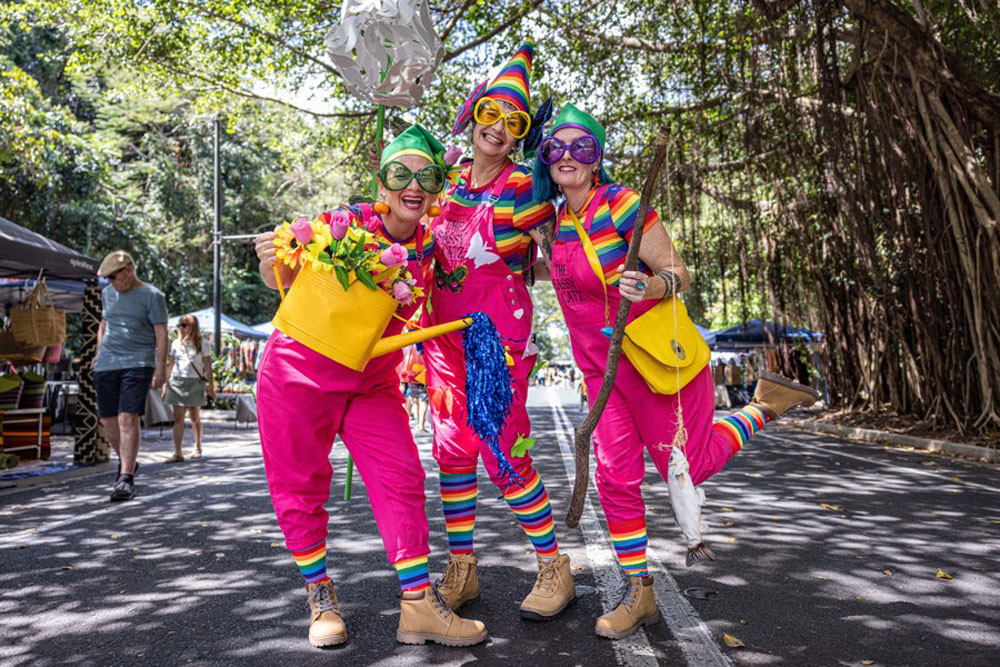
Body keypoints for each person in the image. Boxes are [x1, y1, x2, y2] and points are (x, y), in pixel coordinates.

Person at [533, 104, 821, 639]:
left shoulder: (623, 206)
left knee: (688, 464)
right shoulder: (549, 223)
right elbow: (541, 271)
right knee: (615, 476)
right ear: (546, 159)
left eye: (583, 147)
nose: (568, 157)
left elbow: (676, 272)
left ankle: (761, 405)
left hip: (651, 360)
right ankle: (637, 591)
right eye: (557, 148)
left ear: (598, 159)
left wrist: (650, 285)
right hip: (600, 374)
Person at [253, 125, 487, 648]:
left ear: (436, 189)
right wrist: (272, 259)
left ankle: (418, 606)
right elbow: (283, 279)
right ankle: (320, 597)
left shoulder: (430, 247)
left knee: (403, 475)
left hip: (371, 378)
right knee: (300, 487)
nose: (413, 184)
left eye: (426, 175)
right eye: (400, 172)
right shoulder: (346, 223)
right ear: (381, 183)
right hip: (298, 371)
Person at [422, 40, 576, 621]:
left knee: (503, 451)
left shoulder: (521, 186)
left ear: (520, 135)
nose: (499, 127)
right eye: (491, 113)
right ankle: (462, 568)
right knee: (453, 452)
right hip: (439, 341)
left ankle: (554, 567)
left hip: (494, 342)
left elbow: (541, 227)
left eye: (514, 122)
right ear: (473, 111)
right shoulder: (440, 178)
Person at [94, 250, 168, 502]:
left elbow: (161, 333)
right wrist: (97, 353)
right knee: (108, 420)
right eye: (107, 279)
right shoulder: (106, 294)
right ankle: (129, 461)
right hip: (107, 362)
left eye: (113, 277)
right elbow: (104, 324)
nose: (110, 283)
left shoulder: (152, 296)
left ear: (128, 271)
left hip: (138, 361)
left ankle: (125, 477)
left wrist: (160, 368)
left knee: (127, 417)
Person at [162, 315, 216, 462]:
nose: (181, 327)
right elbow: (170, 365)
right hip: (177, 382)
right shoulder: (175, 343)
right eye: (180, 325)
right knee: (178, 419)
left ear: (193, 327)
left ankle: (197, 446)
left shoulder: (202, 343)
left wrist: (211, 386)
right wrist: (165, 384)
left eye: (185, 325)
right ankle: (177, 452)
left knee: (194, 417)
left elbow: (207, 366)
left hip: (195, 382)